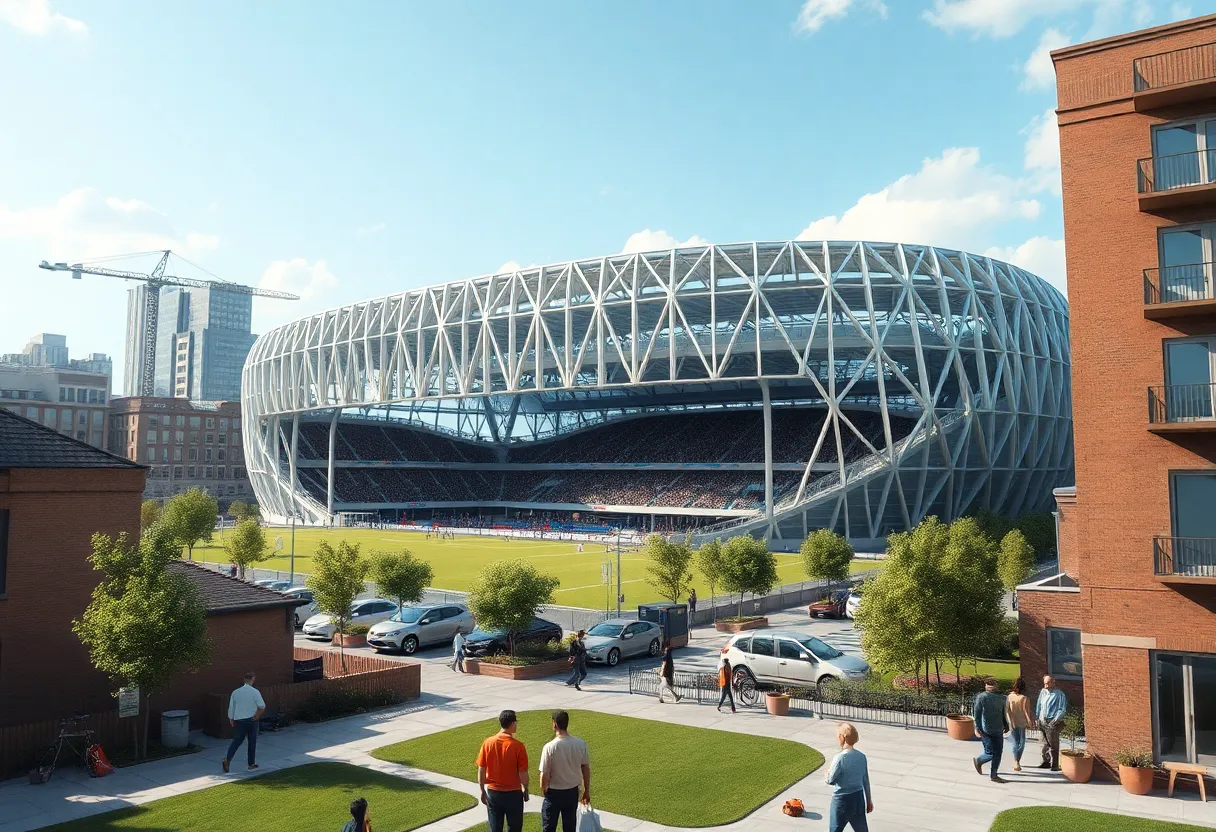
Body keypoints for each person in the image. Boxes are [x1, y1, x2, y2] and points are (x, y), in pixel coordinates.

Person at [476, 709, 529, 832]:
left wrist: (482, 790)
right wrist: (525, 788)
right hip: (513, 794)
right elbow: (523, 773)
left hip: (494, 793)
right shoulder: (518, 746)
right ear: (512, 724)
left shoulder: (488, 743)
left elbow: (481, 769)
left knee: (495, 828)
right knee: (515, 828)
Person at [538, 710, 591, 832]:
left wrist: (544, 790)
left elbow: (544, 773)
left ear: (554, 724)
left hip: (553, 793)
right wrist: (586, 791)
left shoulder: (549, 747)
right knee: (569, 827)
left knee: (549, 827)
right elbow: (585, 768)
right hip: (572, 792)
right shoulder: (580, 744)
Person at [824, 722, 872, 832]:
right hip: (858, 799)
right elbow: (865, 780)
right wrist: (868, 801)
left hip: (841, 801)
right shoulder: (861, 756)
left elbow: (830, 780)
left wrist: (827, 772)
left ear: (842, 738)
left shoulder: (840, 758)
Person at [222, 671, 265, 773]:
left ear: (244, 679)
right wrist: (257, 715)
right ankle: (251, 764)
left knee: (237, 741)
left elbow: (231, 707)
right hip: (252, 720)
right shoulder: (255, 692)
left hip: (239, 721)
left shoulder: (235, 692)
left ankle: (227, 760)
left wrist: (231, 718)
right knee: (252, 742)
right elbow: (262, 706)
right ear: (253, 679)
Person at [972, 679, 1010, 783]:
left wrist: (1006, 725)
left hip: (998, 729)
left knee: (998, 753)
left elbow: (1003, 713)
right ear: (985, 686)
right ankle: (979, 760)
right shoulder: (982, 697)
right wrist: (978, 728)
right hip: (986, 730)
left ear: (996, 686)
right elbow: (977, 715)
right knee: (990, 753)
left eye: (992, 685)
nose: (990, 687)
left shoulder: (1002, 698)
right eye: (988, 685)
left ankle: (994, 775)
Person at [1036, 674, 1067, 771]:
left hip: (1051, 721)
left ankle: (1054, 765)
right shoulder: (1043, 692)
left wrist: (1055, 720)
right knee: (1044, 743)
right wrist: (1037, 717)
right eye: (1044, 684)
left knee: (1053, 745)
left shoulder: (1059, 694)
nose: (1046, 686)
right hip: (1042, 721)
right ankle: (1046, 761)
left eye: (1048, 684)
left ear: (1053, 683)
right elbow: (1039, 705)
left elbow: (1062, 709)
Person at [1005, 676, 1034, 772]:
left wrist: (1010, 721)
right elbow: (1026, 711)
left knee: (1015, 742)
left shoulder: (1009, 696)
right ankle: (1017, 761)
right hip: (1022, 723)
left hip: (1013, 722)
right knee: (1021, 743)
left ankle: (1015, 761)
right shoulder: (1025, 698)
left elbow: (1007, 710)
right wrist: (1030, 722)